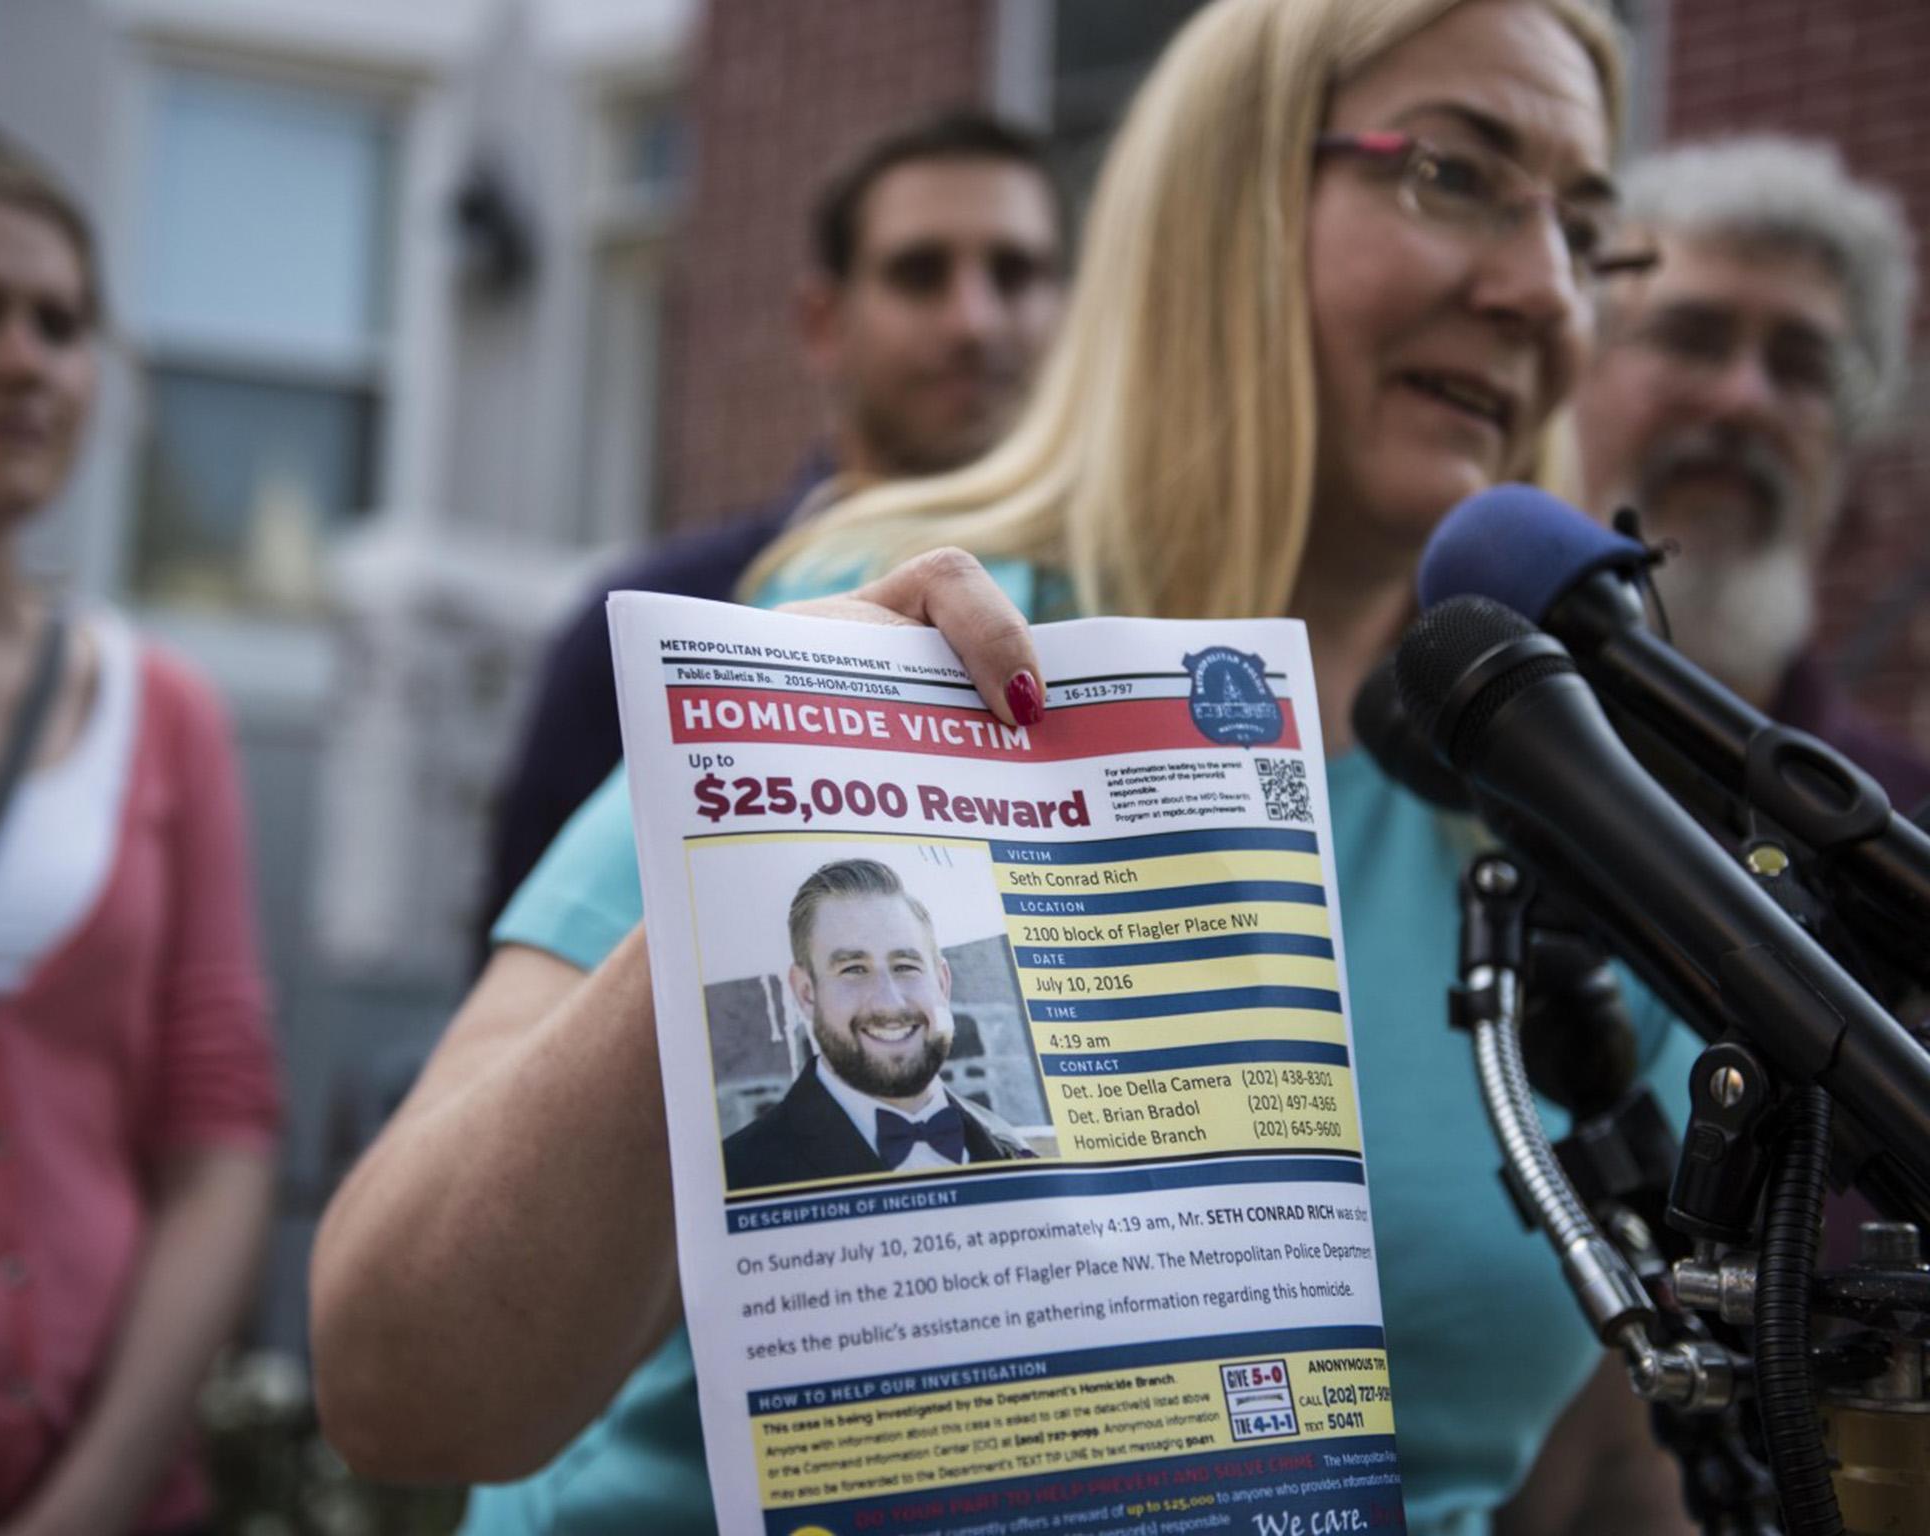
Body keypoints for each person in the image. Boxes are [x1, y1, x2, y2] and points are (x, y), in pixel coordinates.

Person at [311, 3, 1703, 1532]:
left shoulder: (1585, 806)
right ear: (1220, 206)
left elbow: (1607, 1465)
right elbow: (402, 1386)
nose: (1540, 290)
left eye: (1587, 228)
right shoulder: (911, 632)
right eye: (1456, 173)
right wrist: (772, 809)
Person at [0, 123, 277, 1536]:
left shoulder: (162, 713)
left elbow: (218, 1133)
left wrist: (92, 1505)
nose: (24, 359)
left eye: (61, 321)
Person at [476, 108, 1069, 952]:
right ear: (823, 323)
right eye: (919, 273)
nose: (974, 320)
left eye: (1014, 274)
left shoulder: (1137, 603)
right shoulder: (641, 625)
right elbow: (511, 1026)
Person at [1574, 135, 1928, 812]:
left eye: (1801, 365)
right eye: (1689, 337)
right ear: (1576, 371)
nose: (1744, 400)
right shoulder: (1428, 772)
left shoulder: (1908, 840)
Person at [722, 856, 1033, 1190]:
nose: (889, 1002)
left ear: (942, 983)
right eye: (853, 969)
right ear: (806, 993)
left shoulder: (1013, 1148)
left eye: (905, 966)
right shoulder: (738, 1173)